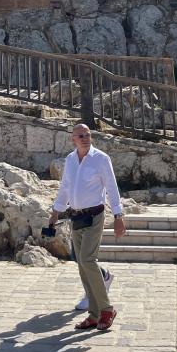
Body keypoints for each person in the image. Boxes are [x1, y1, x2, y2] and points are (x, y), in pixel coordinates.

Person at [48, 123, 125, 332]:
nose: (85, 138)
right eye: (80, 135)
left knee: (88, 260)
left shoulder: (101, 159)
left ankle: (107, 309)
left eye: (88, 134)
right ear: (73, 139)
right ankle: (93, 314)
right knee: (81, 264)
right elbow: (65, 187)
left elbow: (112, 187)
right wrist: (56, 211)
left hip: (94, 216)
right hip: (76, 218)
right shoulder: (71, 160)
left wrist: (119, 216)